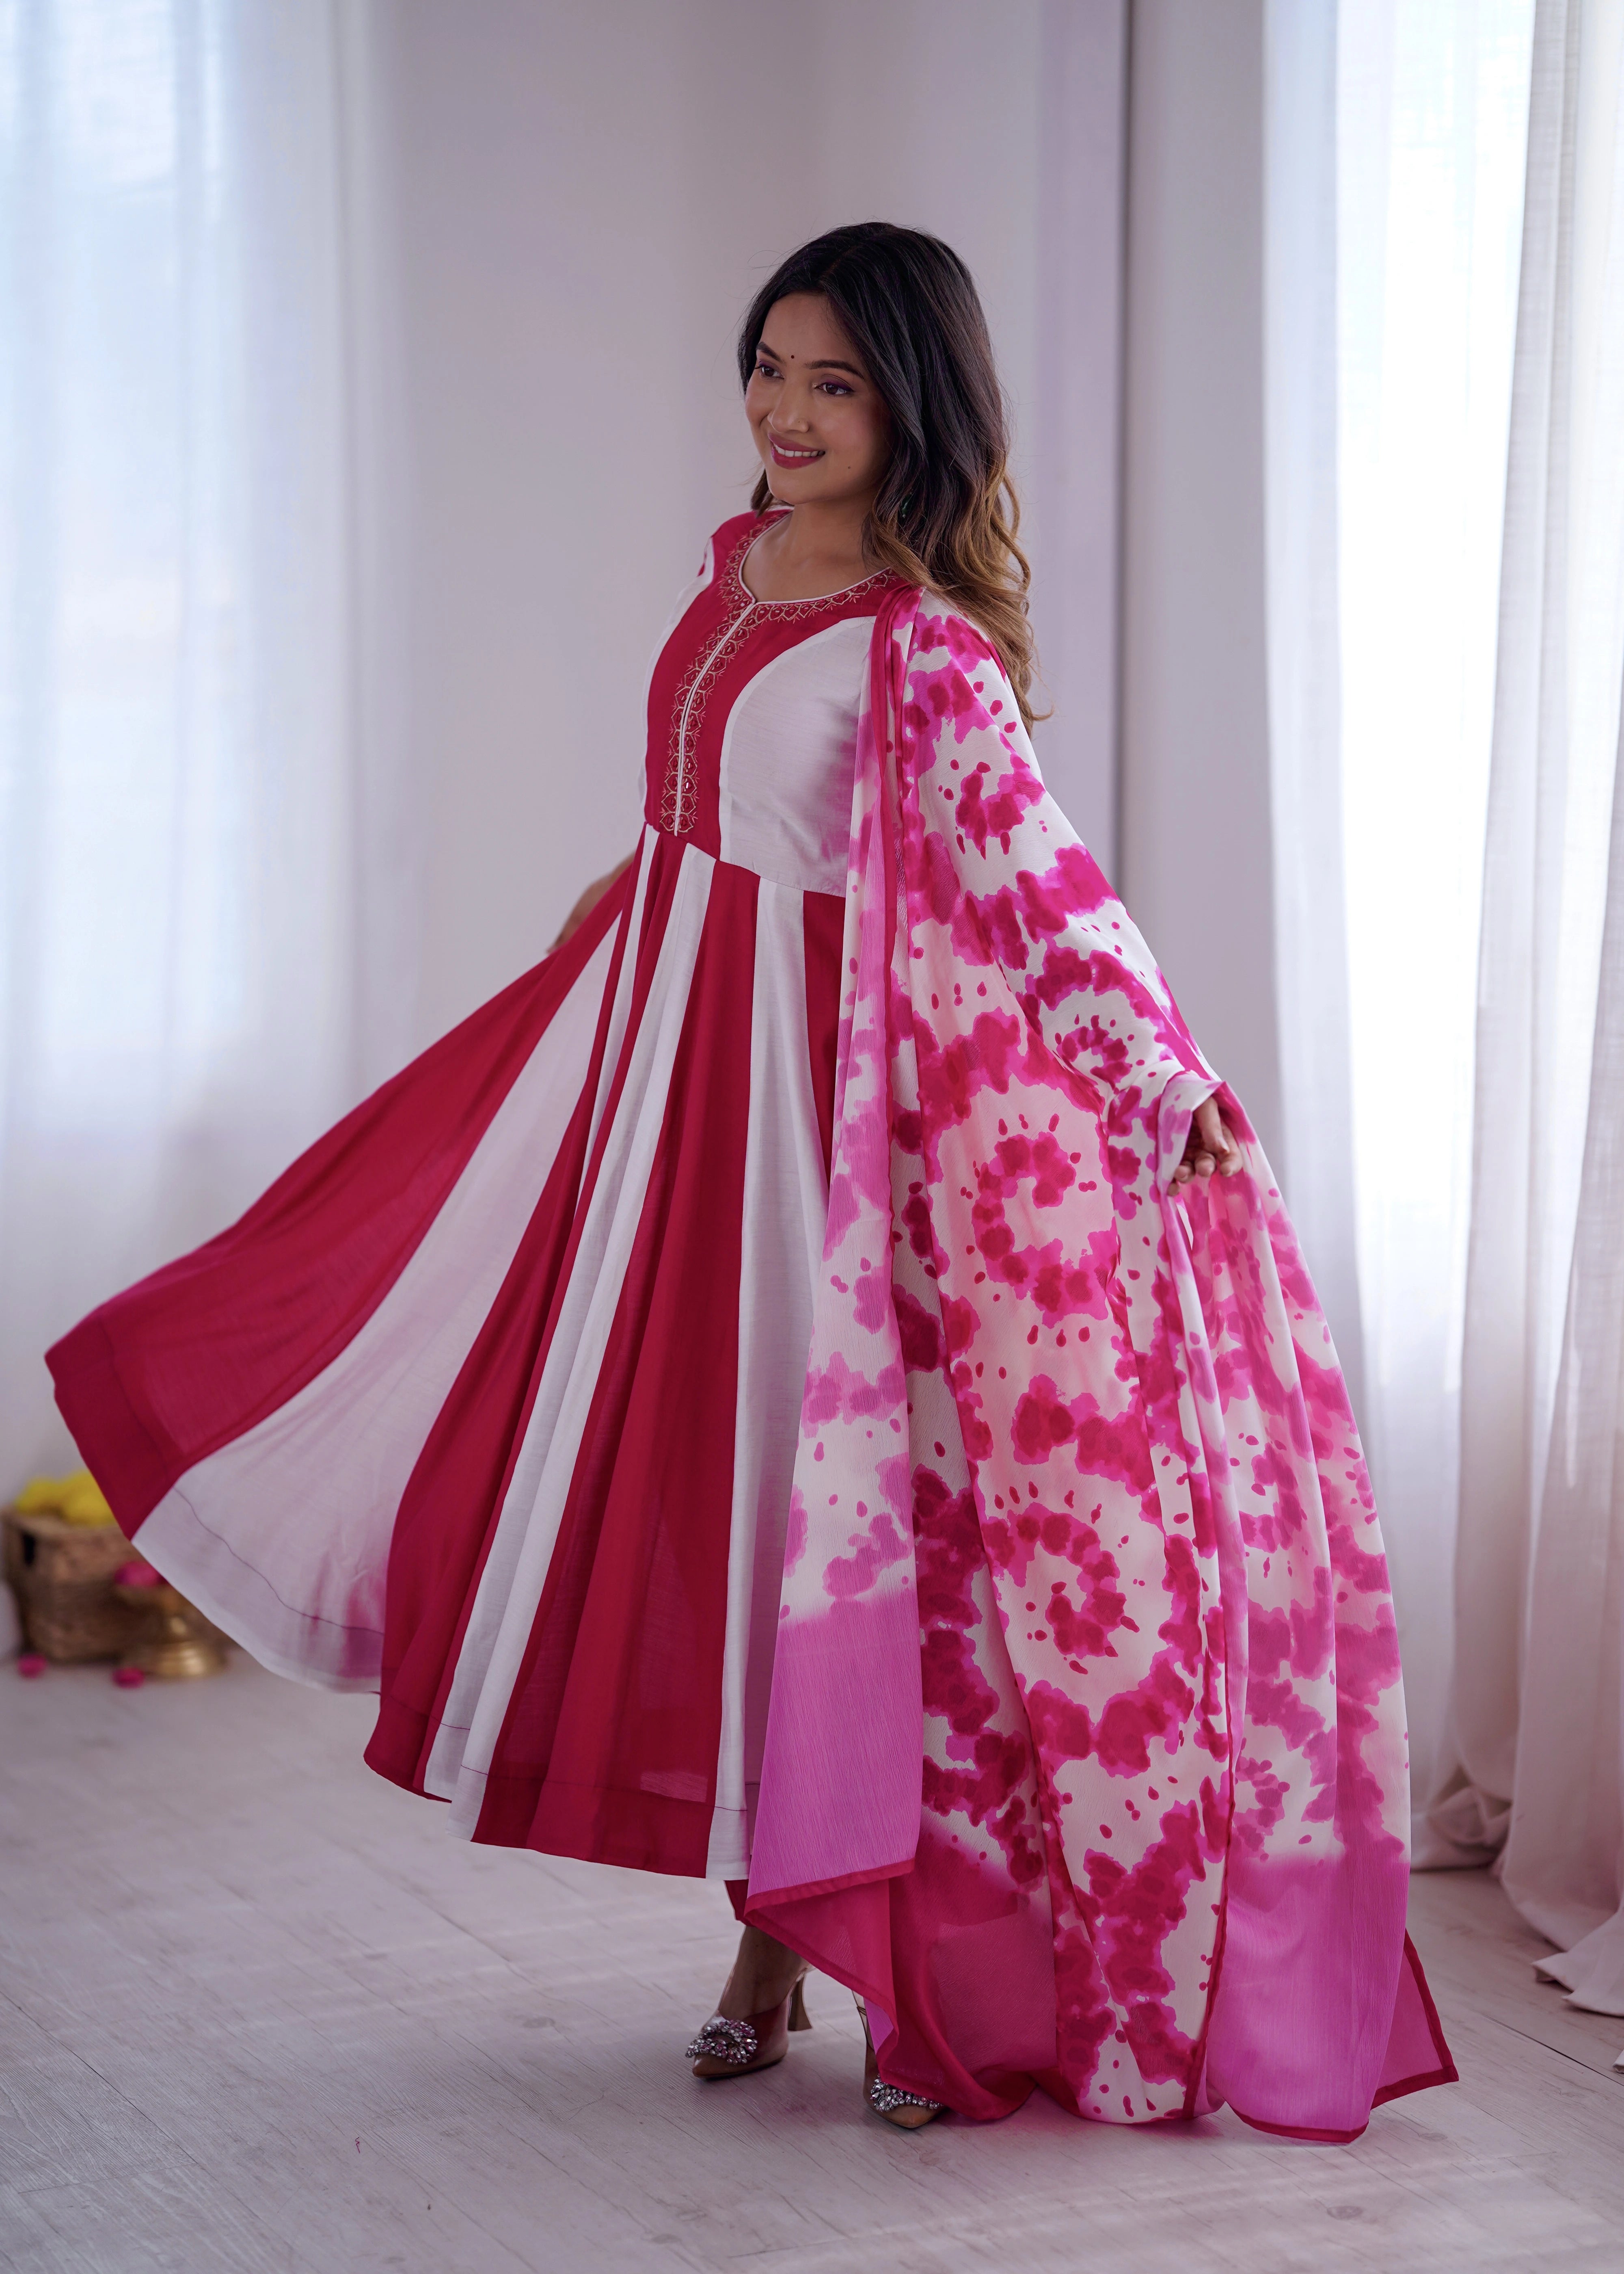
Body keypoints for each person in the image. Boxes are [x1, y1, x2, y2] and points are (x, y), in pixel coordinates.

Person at [49, 222, 1455, 2138]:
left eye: (834, 383)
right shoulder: (738, 567)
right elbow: (699, 807)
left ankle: (882, 1967)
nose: (783, 414)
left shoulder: (921, 646)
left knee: (838, 1548)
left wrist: (1165, 1080)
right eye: (767, 367)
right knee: (701, 1519)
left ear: (913, 408)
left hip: (811, 1124)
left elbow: (1042, 890)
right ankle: (765, 1949)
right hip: (658, 1074)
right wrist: (622, 906)